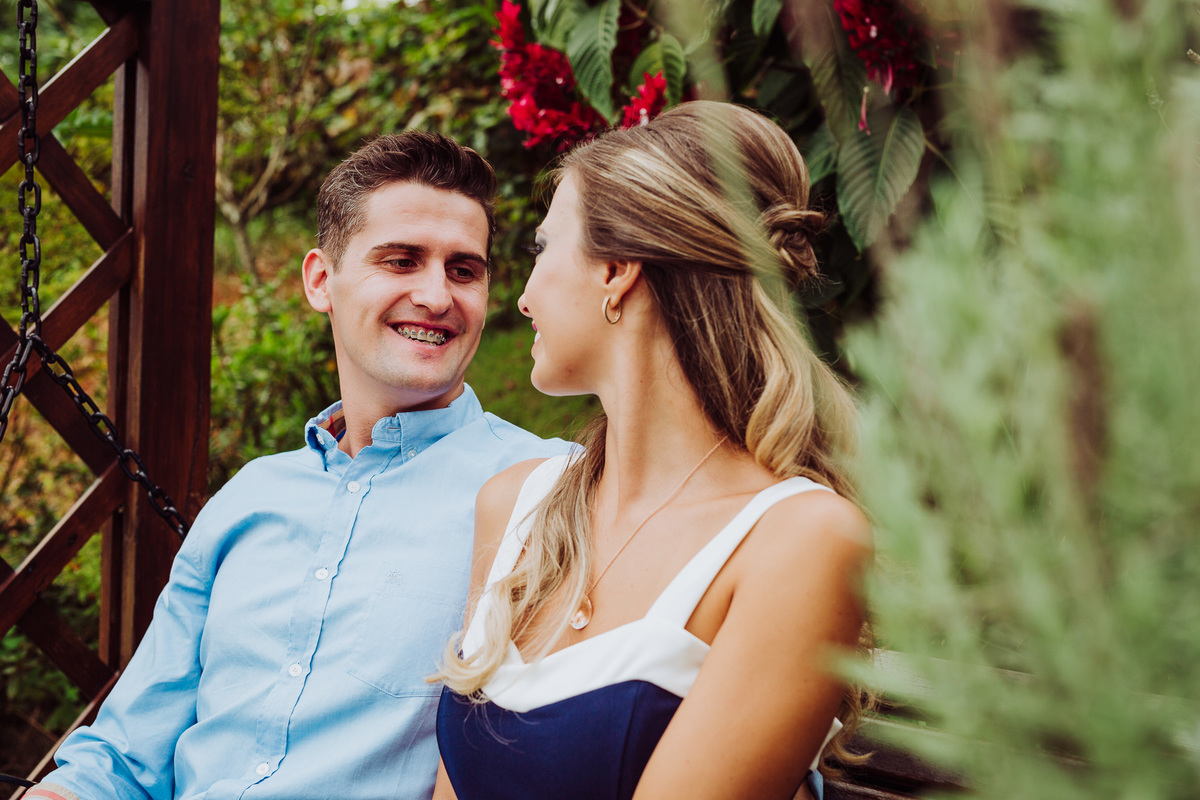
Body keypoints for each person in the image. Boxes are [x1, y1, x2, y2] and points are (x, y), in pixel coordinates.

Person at [24, 131, 572, 800]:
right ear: (321, 281)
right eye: (401, 261)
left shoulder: (549, 486)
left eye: (464, 270)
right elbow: (121, 758)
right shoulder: (250, 497)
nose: (436, 296)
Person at [432, 101, 873, 800]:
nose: (521, 299)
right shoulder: (515, 505)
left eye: (543, 250)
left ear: (616, 270)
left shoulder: (799, 540)